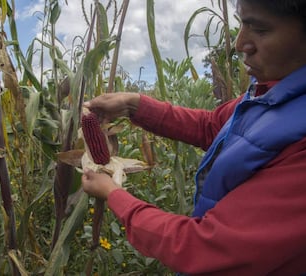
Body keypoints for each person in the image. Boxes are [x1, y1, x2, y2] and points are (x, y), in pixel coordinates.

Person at [81, 0, 306, 275]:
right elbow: (212, 127)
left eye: (259, 29)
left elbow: (203, 248)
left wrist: (113, 194)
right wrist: (133, 105)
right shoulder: (270, 92)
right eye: (242, 24)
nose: (239, 43)